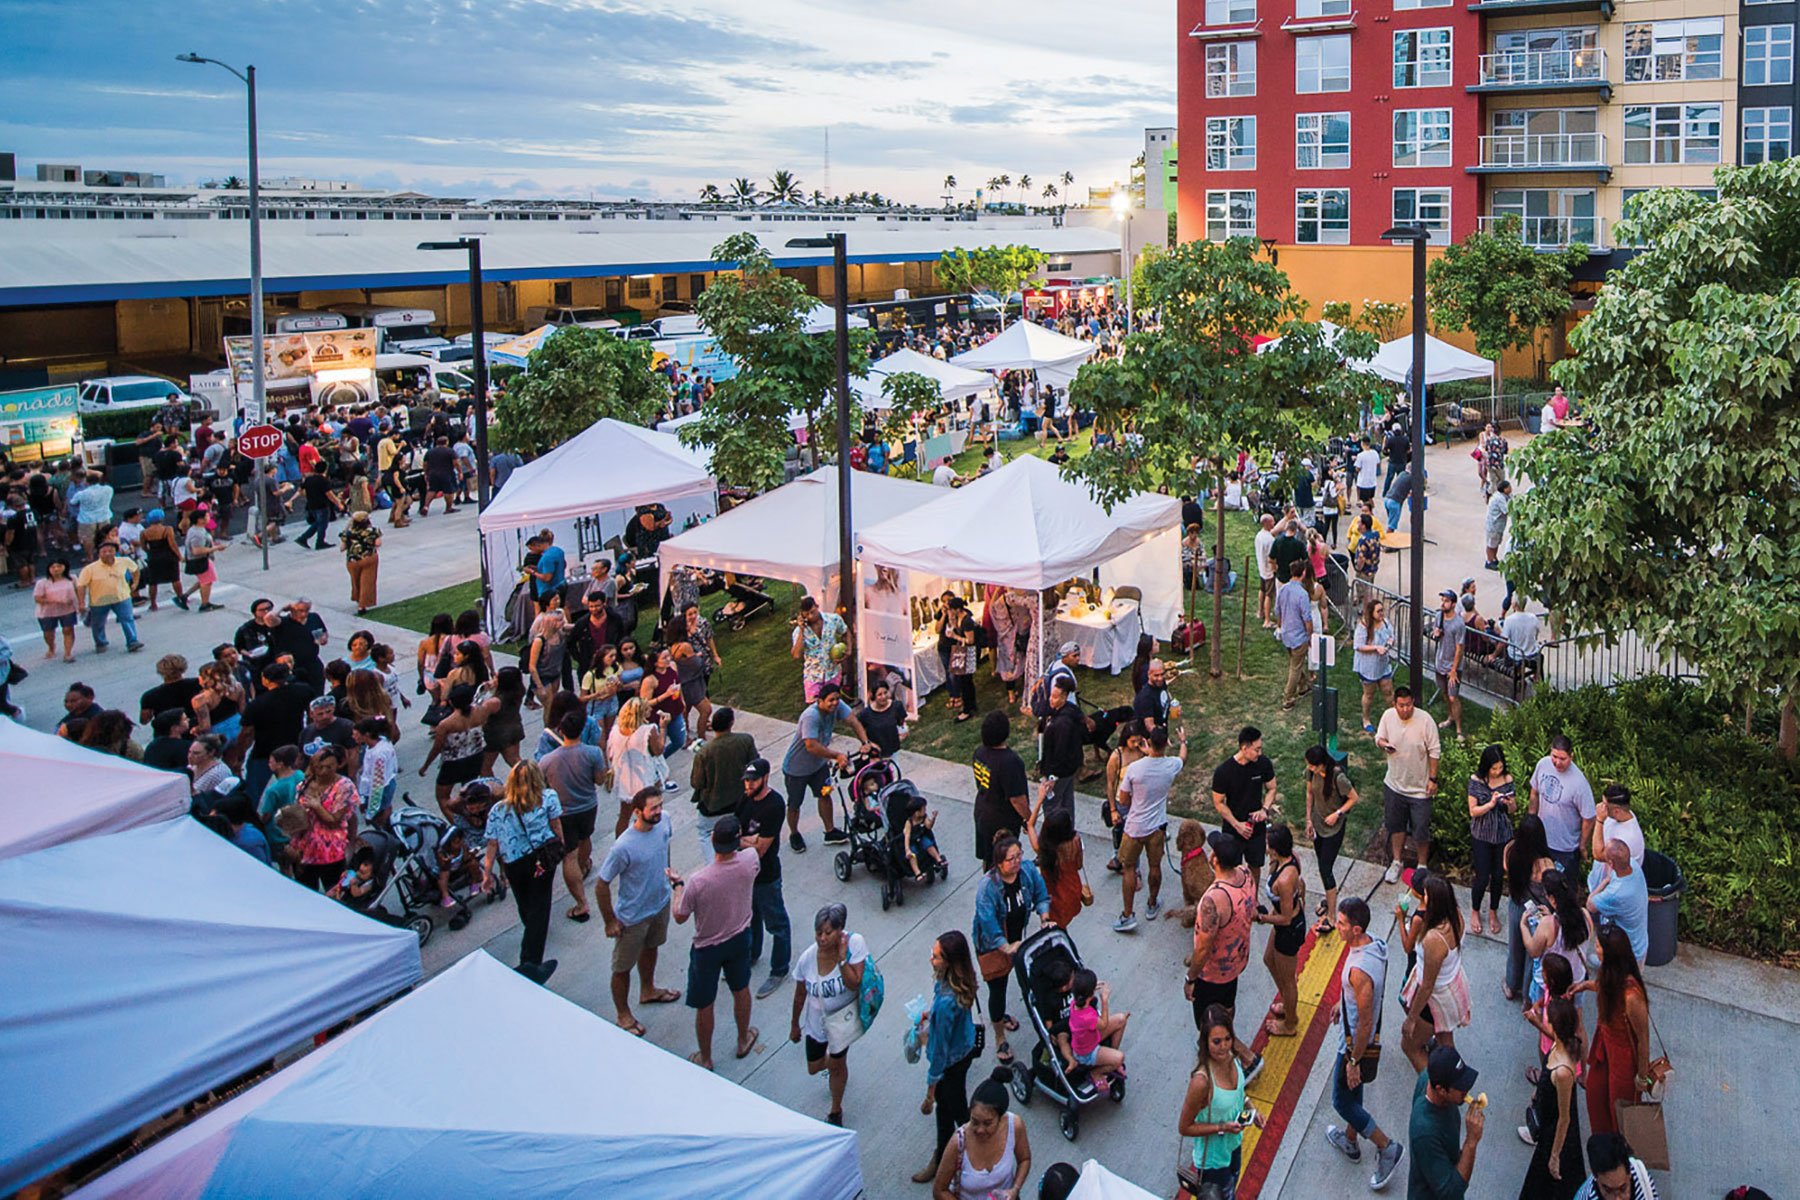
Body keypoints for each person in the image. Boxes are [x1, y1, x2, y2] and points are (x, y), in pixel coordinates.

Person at [1324, 897, 1408, 1191]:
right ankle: (1349, 1139)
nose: (1337, 926)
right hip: (1357, 1033)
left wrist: (1353, 1060)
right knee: (1353, 1092)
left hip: (1352, 1044)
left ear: (1357, 929)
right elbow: (1363, 1000)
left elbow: (1364, 1020)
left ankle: (1387, 1147)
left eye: (1343, 923)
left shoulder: (1359, 969)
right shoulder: (1375, 946)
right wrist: (1341, 1003)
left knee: (1341, 1100)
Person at [674, 814, 760, 1071]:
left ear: (712, 841)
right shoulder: (750, 861)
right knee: (741, 988)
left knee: (705, 1003)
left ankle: (706, 1057)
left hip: (707, 947)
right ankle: (743, 1038)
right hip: (739, 936)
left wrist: (678, 887)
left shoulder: (699, 881)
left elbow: (680, 916)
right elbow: (750, 849)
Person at [594, 784, 679, 1036]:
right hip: (632, 917)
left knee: (652, 947)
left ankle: (648, 989)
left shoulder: (665, 822)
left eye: (660, 805)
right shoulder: (623, 847)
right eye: (653, 808)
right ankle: (623, 1014)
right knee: (622, 969)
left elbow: (665, 847)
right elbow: (601, 885)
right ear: (637, 812)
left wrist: (669, 875)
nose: (659, 812)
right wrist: (610, 921)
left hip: (659, 903)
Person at [480, 759, 564, 985]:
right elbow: (555, 825)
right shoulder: (547, 798)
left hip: (514, 863)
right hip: (540, 858)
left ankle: (531, 938)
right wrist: (560, 848)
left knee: (526, 903)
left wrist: (487, 873)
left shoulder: (498, 810)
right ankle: (531, 962)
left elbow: (492, 844)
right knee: (540, 906)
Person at [1187, 830, 1262, 1079]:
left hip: (1212, 974)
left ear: (1215, 860)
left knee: (1207, 1025)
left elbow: (1203, 948)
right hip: (1236, 964)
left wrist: (1191, 978)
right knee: (1227, 1010)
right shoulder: (1247, 875)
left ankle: (1245, 1059)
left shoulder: (1213, 899)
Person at [973, 832, 1051, 1067]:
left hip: (1017, 938)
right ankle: (999, 1037)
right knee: (998, 989)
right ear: (998, 864)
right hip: (993, 944)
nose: (1017, 862)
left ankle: (1003, 1017)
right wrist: (1005, 946)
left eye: (1019, 855)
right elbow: (987, 923)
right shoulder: (988, 887)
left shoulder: (1026, 871)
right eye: (1011, 859)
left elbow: (1040, 893)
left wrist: (1044, 917)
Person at [789, 903, 868, 1127]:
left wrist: (842, 960)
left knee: (837, 1064)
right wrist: (795, 1025)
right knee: (814, 1067)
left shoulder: (854, 944)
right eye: (818, 933)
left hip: (842, 1022)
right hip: (816, 1024)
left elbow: (854, 983)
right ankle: (833, 1065)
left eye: (828, 933)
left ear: (840, 931)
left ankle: (836, 1109)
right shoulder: (806, 959)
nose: (822, 938)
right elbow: (799, 994)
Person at [1178, 1005, 1262, 1199]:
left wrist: (1252, 1110)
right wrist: (1222, 1127)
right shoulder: (1201, 1081)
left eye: (1227, 1039)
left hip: (1233, 1146)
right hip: (1213, 1163)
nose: (1224, 1046)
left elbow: (1238, 1094)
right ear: (1205, 1042)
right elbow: (1184, 1127)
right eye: (1216, 1041)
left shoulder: (1233, 1058)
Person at [779, 683, 875, 852]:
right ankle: (794, 834)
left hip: (819, 766)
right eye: (831, 700)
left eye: (837, 699)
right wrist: (836, 756)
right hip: (796, 769)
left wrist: (865, 742)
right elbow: (811, 746)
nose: (835, 703)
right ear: (820, 701)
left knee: (825, 795)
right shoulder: (811, 716)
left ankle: (830, 831)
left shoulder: (837, 706)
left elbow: (853, 721)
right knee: (794, 804)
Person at [917, 930, 981, 1183]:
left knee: (956, 1112)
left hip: (952, 1061)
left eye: (936, 957)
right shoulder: (960, 981)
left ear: (950, 961)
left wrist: (929, 1092)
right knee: (947, 1110)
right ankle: (942, 1153)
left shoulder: (946, 1003)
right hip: (964, 1050)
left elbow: (940, 1053)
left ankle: (973, 1156)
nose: (931, 960)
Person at [540, 709, 610, 923]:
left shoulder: (547, 760)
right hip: (588, 806)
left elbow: (543, 789)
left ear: (560, 731)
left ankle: (581, 903)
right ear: (581, 730)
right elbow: (599, 780)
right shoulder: (593, 753)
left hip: (563, 812)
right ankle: (584, 865)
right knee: (585, 838)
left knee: (568, 854)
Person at [1115, 724, 1186, 932]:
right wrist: (1183, 740)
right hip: (1157, 827)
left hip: (1134, 828)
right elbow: (1183, 757)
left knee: (1129, 869)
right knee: (1155, 867)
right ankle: (1152, 903)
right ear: (1166, 744)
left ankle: (1127, 915)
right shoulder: (1171, 765)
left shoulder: (1135, 769)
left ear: (1148, 742)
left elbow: (1123, 799)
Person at [1401, 875, 1472, 1073]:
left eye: (1425, 896)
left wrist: (1412, 1018)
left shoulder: (1433, 939)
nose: (1422, 898)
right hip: (1453, 986)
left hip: (1436, 1000)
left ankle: (1435, 1091)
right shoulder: (1456, 915)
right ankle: (1457, 1078)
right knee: (1445, 1040)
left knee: (1410, 1046)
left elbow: (1427, 986)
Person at [737, 757, 794, 999]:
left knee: (777, 923)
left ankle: (779, 969)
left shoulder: (774, 805)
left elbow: (760, 849)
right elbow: (738, 832)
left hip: (766, 874)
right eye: (746, 781)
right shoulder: (745, 799)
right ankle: (751, 955)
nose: (748, 785)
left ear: (765, 778)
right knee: (750, 918)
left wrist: (743, 841)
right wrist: (748, 840)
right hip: (745, 874)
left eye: (753, 781)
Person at [1520, 997, 1586, 1199]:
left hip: (1555, 1132)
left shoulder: (1563, 1071)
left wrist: (1555, 1156)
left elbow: (1564, 1118)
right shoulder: (1561, 1043)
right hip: (1549, 1121)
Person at [1377, 687, 1441, 884]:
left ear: (1413, 701)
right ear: (1395, 704)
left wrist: (1433, 779)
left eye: (1409, 705)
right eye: (1401, 706)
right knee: (1396, 826)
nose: (1405, 709)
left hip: (1419, 789)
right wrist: (1383, 744)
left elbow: (1434, 751)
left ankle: (1422, 866)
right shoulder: (1388, 717)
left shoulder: (1425, 720)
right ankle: (1397, 861)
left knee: (1421, 829)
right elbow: (1379, 738)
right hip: (1395, 784)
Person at [1408, 1045, 1484, 1200]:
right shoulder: (1425, 1132)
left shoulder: (1427, 1077)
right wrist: (1471, 1142)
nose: (1467, 1090)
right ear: (1441, 1090)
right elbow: (1452, 1192)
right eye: (1460, 1087)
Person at [1210, 725, 1277, 891]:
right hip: (1233, 830)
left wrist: (1265, 810)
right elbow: (1218, 802)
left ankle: (1252, 897)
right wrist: (1236, 825)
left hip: (1256, 828)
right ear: (1244, 748)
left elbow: (1272, 788)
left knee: (1255, 865)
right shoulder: (1224, 771)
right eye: (1256, 749)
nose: (1259, 753)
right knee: (1232, 869)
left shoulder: (1263, 764)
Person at [1305, 745, 1360, 938]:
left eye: (1313, 766)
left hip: (1333, 829)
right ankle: (1329, 900)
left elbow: (1354, 798)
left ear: (1322, 764)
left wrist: (1338, 814)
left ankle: (1331, 915)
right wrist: (1309, 819)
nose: (1310, 769)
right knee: (1322, 866)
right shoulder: (1312, 772)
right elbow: (1309, 793)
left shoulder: (1338, 777)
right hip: (1319, 824)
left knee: (1326, 869)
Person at [1257, 823, 1306, 1038]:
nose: (1265, 846)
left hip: (1288, 929)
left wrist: (1260, 917)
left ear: (1275, 849)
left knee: (1288, 980)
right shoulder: (1289, 858)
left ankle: (1290, 1022)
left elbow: (1285, 918)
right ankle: (1287, 1000)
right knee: (1269, 959)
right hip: (1283, 923)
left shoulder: (1285, 880)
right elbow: (1301, 883)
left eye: (1268, 844)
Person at [1466, 744, 1517, 937]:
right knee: (1481, 876)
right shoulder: (1476, 781)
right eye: (1493, 768)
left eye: (1500, 767)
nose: (1497, 771)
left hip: (1502, 834)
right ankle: (1475, 910)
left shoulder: (1507, 780)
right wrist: (1490, 804)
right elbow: (1473, 811)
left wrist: (1510, 804)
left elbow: (1513, 810)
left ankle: (1493, 911)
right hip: (1482, 834)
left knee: (1497, 876)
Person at [690, 706, 759, 848]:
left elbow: (696, 782)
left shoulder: (704, 752)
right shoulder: (745, 741)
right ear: (731, 723)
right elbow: (755, 765)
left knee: (706, 836)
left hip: (713, 806)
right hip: (740, 802)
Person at [972, 710, 1030, 870]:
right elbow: (1016, 799)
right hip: (1002, 822)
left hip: (982, 813)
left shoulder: (979, 753)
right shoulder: (1010, 762)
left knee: (989, 858)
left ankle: (989, 886)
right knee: (1005, 863)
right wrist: (1028, 818)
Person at [292, 745, 356, 892]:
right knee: (307, 894)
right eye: (318, 766)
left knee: (335, 893)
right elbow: (299, 815)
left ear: (337, 765)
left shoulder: (344, 786)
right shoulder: (304, 785)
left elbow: (336, 820)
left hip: (331, 851)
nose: (322, 771)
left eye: (328, 766)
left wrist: (317, 807)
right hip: (305, 852)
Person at [1530, 735, 1595, 877]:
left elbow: (1589, 818)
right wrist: (1531, 820)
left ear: (1571, 756)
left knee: (1564, 888)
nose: (1557, 762)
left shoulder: (1579, 783)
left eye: (1562, 759)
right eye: (1554, 756)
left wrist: (1582, 845)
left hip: (1565, 848)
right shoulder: (1543, 764)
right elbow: (1534, 793)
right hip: (1541, 839)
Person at [75, 541, 142, 654]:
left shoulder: (124, 561)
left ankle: (132, 641)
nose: (107, 554)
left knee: (127, 619)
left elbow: (135, 570)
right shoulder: (90, 569)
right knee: (98, 624)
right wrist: (81, 603)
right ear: (99, 554)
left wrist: (135, 583)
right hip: (99, 601)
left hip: (122, 597)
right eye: (104, 552)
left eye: (110, 551)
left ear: (115, 552)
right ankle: (101, 642)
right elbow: (81, 586)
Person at [1037, 674, 1086, 823]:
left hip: (1059, 771)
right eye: (1051, 696)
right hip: (1069, 769)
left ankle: (1055, 833)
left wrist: (1052, 776)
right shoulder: (1069, 711)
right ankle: (1068, 829)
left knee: (1051, 804)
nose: (1051, 700)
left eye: (1055, 697)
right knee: (1066, 801)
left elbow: (1059, 752)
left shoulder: (1062, 723)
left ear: (1064, 697)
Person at [791, 595, 849, 699]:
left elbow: (845, 631)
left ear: (817, 606)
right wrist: (801, 631)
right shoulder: (799, 632)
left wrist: (848, 650)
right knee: (814, 709)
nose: (810, 616)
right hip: (813, 676)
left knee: (832, 705)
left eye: (812, 612)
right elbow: (796, 655)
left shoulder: (833, 619)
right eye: (807, 614)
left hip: (832, 673)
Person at [1275, 560, 1315, 709]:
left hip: (1286, 633)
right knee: (1295, 667)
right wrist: (1310, 635)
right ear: (1303, 573)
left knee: (1295, 662)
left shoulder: (1283, 589)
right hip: (1299, 636)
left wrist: (1280, 626)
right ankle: (1288, 697)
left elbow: (1277, 611)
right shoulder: (1302, 594)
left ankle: (1303, 685)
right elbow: (1307, 619)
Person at [1573, 1133, 1660, 1200]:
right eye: (1608, 1191)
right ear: (1596, 1177)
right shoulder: (1586, 1197)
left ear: (1629, 1173)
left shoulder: (1642, 1177)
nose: (1617, 1199)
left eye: (1623, 1189)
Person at [1431, 590, 1465, 740]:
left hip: (1453, 666)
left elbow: (1460, 649)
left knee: (1453, 697)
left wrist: (1453, 670)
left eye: (1446, 601)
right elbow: (1434, 632)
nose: (1443, 603)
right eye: (1442, 600)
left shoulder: (1458, 624)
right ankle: (1450, 717)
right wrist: (1435, 633)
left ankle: (1459, 730)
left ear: (1453, 604)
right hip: (1440, 662)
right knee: (1444, 693)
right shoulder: (1438, 616)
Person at [33, 557, 80, 663]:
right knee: (48, 633)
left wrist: (80, 604)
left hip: (68, 610)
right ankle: (51, 647)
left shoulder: (72, 579)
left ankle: (68, 653)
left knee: (68, 630)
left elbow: (78, 591)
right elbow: (37, 598)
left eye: (59, 566)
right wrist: (57, 601)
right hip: (47, 612)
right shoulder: (42, 583)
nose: (56, 569)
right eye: (53, 567)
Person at [339, 510, 381, 615]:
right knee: (367, 581)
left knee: (356, 581)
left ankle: (357, 597)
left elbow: (342, 548)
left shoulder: (347, 533)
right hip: (368, 558)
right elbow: (378, 543)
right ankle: (362, 605)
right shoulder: (373, 531)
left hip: (352, 561)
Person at [855, 679, 906, 758]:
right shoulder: (866, 714)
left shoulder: (896, 706)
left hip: (894, 752)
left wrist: (902, 734)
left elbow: (902, 724)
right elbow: (858, 729)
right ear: (874, 696)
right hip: (875, 754)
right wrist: (868, 743)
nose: (884, 697)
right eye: (880, 694)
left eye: (885, 693)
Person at [1254, 513, 1278, 628]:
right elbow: (1272, 558)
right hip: (1269, 571)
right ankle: (1267, 620)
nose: (1274, 523)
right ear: (1266, 523)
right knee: (1269, 595)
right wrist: (1275, 569)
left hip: (1261, 568)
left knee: (1262, 590)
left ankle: (1260, 611)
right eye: (1272, 521)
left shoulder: (1259, 535)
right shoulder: (1270, 540)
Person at [1484, 481, 1512, 569]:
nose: (1511, 488)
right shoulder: (1499, 498)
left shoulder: (1505, 496)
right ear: (1504, 489)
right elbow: (1507, 510)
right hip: (1494, 525)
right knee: (1491, 544)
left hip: (1499, 525)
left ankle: (1494, 559)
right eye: (1509, 487)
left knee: (1496, 543)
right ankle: (1489, 561)